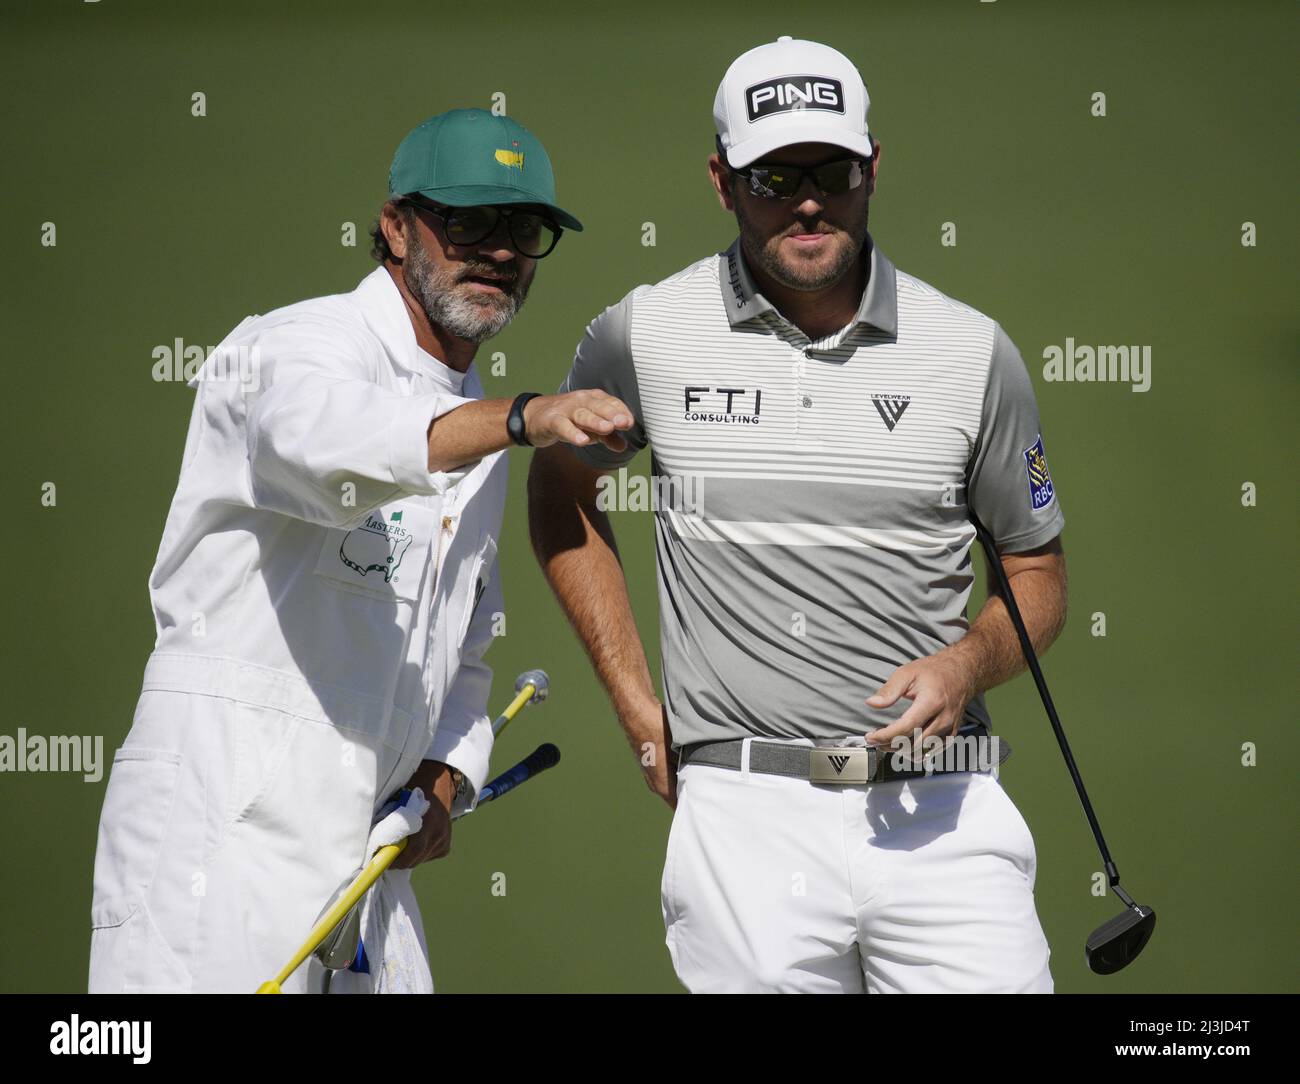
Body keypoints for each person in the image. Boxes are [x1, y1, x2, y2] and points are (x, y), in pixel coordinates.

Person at [527, 38, 1068, 993]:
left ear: (872, 169)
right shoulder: (642, 333)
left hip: (945, 815)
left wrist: (965, 663)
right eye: (775, 175)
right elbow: (560, 492)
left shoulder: (974, 351)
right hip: (742, 817)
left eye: (833, 172)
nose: (808, 200)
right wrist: (638, 711)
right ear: (722, 180)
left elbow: (1037, 580)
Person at [88, 107, 633, 993]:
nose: (499, 250)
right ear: (394, 225)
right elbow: (328, 447)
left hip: (366, 864)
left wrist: (445, 773)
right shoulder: (294, 345)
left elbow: (464, 648)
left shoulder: (475, 414)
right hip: (219, 843)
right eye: (468, 222)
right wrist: (523, 418)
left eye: (522, 229)